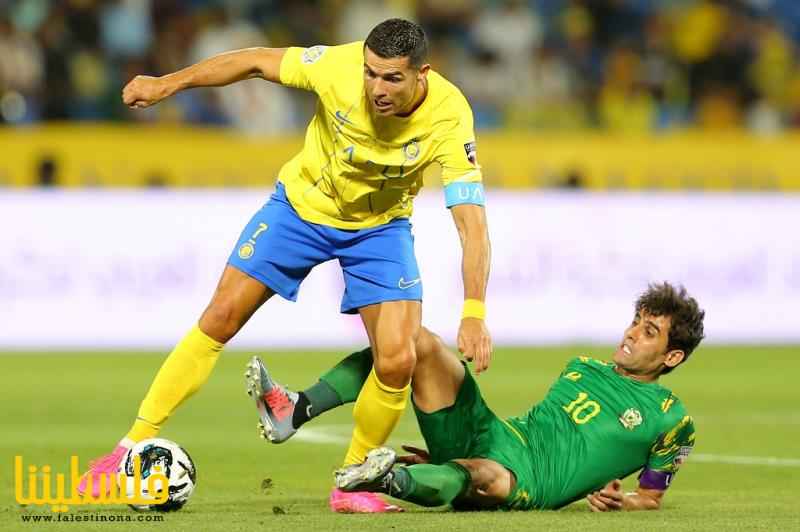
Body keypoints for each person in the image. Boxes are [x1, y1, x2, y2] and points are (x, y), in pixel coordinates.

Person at [79, 18, 492, 514]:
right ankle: (128, 446)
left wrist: (473, 310)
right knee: (220, 317)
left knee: (399, 358)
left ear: (422, 73)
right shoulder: (336, 67)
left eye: (391, 79)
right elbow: (253, 59)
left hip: (380, 230)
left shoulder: (450, 116)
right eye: (371, 74)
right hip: (300, 210)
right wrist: (168, 83)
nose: (376, 89)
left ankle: (352, 484)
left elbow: (472, 224)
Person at [252, 282, 704, 511]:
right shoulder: (581, 366)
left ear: (672, 356)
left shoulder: (670, 419)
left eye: (649, 332)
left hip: (529, 478)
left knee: (478, 473)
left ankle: (382, 481)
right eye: (636, 322)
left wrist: (621, 500)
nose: (631, 334)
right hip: (493, 430)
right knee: (414, 342)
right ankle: (296, 408)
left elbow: (650, 497)